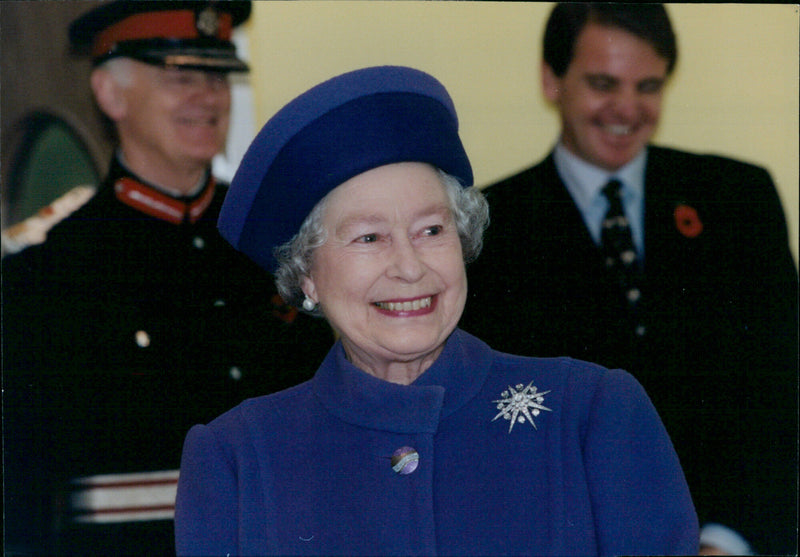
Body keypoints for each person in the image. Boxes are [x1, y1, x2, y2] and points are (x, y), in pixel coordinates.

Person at [174, 65, 698, 556]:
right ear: (307, 273)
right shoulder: (238, 457)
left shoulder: (591, 413)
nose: (409, 267)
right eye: (369, 237)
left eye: (431, 230)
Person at [459, 4, 798, 555]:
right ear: (552, 80)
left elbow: (783, 392)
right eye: (602, 84)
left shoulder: (739, 199)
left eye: (648, 86)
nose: (627, 109)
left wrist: (726, 541)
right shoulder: (486, 229)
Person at [1, 2, 332, 554]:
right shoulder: (48, 274)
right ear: (110, 94)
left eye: (218, 76)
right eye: (181, 76)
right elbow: (24, 491)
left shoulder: (274, 247)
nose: (207, 96)